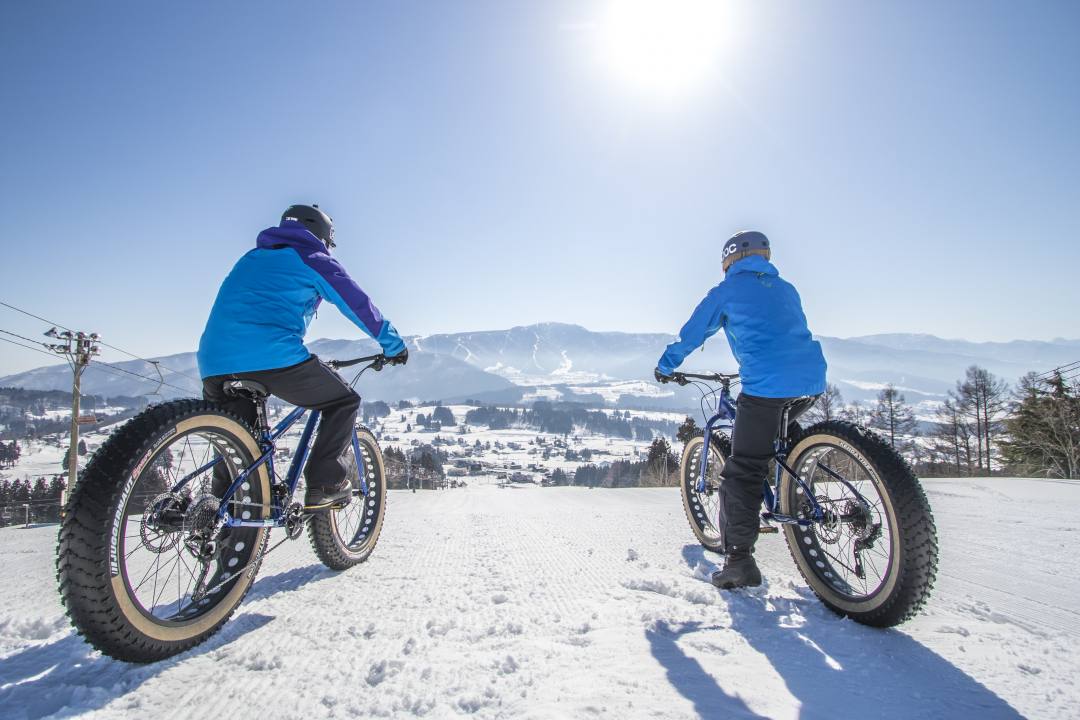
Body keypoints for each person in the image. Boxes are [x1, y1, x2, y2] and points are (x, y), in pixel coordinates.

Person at [197, 204, 408, 511]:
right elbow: (359, 305)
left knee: (239, 448)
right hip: (273, 357)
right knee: (343, 401)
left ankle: (223, 520)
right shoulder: (313, 258)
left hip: (213, 364)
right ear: (322, 236)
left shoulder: (250, 258)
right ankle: (326, 484)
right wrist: (394, 345)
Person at [654, 230, 827, 589]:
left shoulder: (727, 291)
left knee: (742, 471)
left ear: (728, 260)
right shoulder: (786, 288)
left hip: (766, 387)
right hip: (810, 382)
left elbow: (693, 333)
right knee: (781, 441)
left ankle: (739, 561)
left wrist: (667, 365)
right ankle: (793, 489)